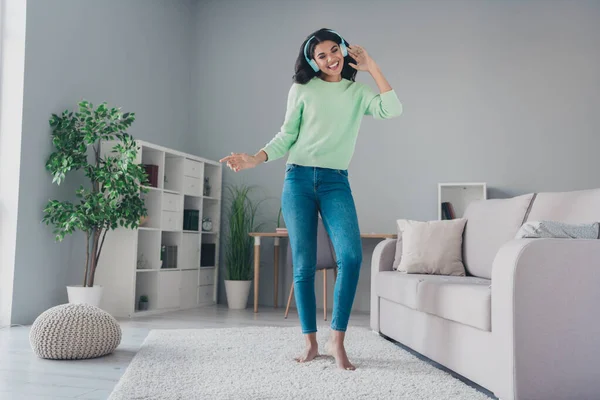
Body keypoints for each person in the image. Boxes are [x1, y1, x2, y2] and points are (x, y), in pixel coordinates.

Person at [220, 28, 402, 370]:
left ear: (345, 51)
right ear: (312, 60)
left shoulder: (356, 92)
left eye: (336, 50)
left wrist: (372, 66)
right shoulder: (302, 89)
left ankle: (337, 341)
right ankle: (311, 343)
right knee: (302, 264)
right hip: (299, 178)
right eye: (322, 54)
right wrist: (255, 158)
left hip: (336, 182)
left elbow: (392, 109)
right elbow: (286, 135)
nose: (331, 58)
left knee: (350, 257)